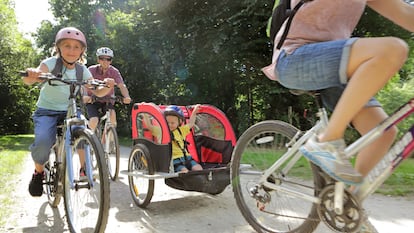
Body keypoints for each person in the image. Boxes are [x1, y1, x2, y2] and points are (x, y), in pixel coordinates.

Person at [262, 1, 414, 231]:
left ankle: (347, 205)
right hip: (295, 58)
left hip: (335, 64)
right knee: (392, 49)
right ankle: (326, 141)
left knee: (383, 133)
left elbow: (406, 13)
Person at [22, 27, 115, 197]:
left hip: (71, 111)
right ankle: (39, 172)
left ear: (82, 51)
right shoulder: (50, 63)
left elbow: (96, 90)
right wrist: (33, 74)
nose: (71, 50)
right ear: (58, 48)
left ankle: (83, 168)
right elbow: (29, 80)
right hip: (47, 111)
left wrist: (107, 86)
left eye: (76, 47)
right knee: (43, 142)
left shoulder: (82, 70)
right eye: (67, 46)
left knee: (83, 131)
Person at [83, 47, 131, 131]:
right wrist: (85, 96)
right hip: (93, 100)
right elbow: (84, 85)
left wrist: (127, 97)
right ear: (98, 59)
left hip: (107, 100)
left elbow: (121, 85)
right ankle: (87, 140)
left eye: (108, 59)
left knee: (112, 119)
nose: (105, 61)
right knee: (94, 120)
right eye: (102, 58)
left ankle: (108, 140)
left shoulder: (114, 71)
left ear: (111, 61)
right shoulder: (91, 70)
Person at [144, 105, 203, 173]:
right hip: (173, 160)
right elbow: (149, 126)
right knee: (184, 172)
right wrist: (146, 115)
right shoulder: (160, 131)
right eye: (167, 122)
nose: (169, 125)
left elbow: (191, 123)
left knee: (199, 169)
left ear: (179, 122)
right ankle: (185, 182)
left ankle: (196, 182)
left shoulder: (182, 130)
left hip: (187, 157)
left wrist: (194, 112)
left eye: (172, 123)